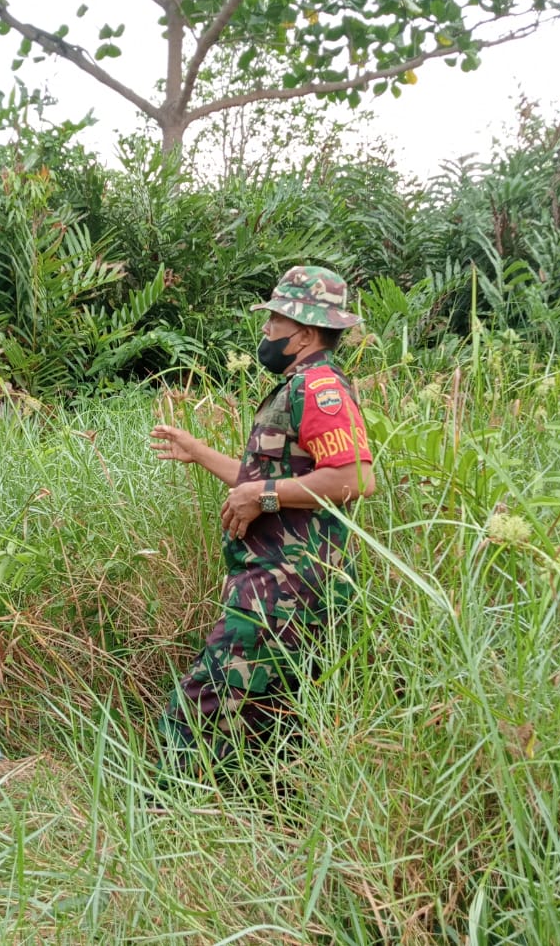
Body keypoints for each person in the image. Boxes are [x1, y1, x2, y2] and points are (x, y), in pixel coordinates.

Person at [149, 265, 376, 784]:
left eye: (274, 322)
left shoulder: (320, 388)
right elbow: (270, 480)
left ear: (306, 332)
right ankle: (261, 806)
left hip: (286, 581)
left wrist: (264, 495)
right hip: (280, 577)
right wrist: (200, 453)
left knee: (207, 694)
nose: (266, 333)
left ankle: (159, 803)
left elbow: (356, 477)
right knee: (274, 709)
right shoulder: (296, 385)